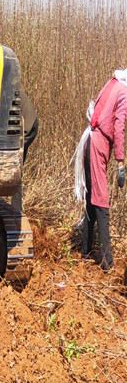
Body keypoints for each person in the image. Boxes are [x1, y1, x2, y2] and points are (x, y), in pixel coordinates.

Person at [79, 70, 127, 271]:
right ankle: (108, 263)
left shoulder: (113, 83)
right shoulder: (123, 92)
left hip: (90, 142)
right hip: (97, 144)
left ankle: (85, 252)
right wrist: (120, 162)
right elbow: (119, 127)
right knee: (101, 203)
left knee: (92, 200)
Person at [11, 90, 38, 214]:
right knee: (15, 165)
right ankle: (15, 207)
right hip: (27, 124)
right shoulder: (8, 82)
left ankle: (16, 210)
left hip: (27, 126)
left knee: (15, 166)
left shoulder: (5, 87)